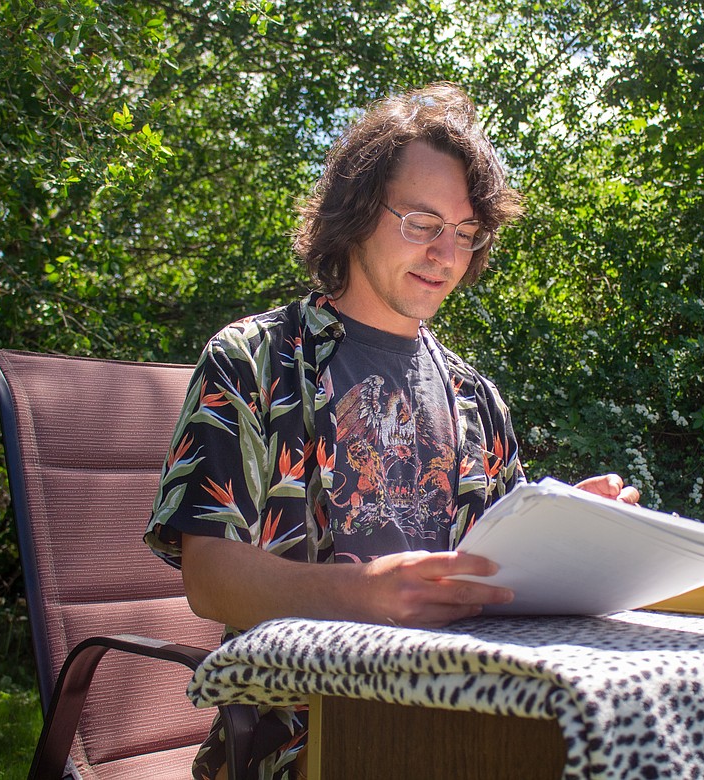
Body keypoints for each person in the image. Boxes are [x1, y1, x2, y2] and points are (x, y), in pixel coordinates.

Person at [144, 82, 639, 780]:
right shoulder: (254, 361)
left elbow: (504, 585)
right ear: (354, 211)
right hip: (307, 738)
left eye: (465, 235)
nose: (445, 254)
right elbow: (211, 579)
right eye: (421, 223)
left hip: (475, 724)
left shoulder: (476, 398)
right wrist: (364, 594)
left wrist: (571, 535)